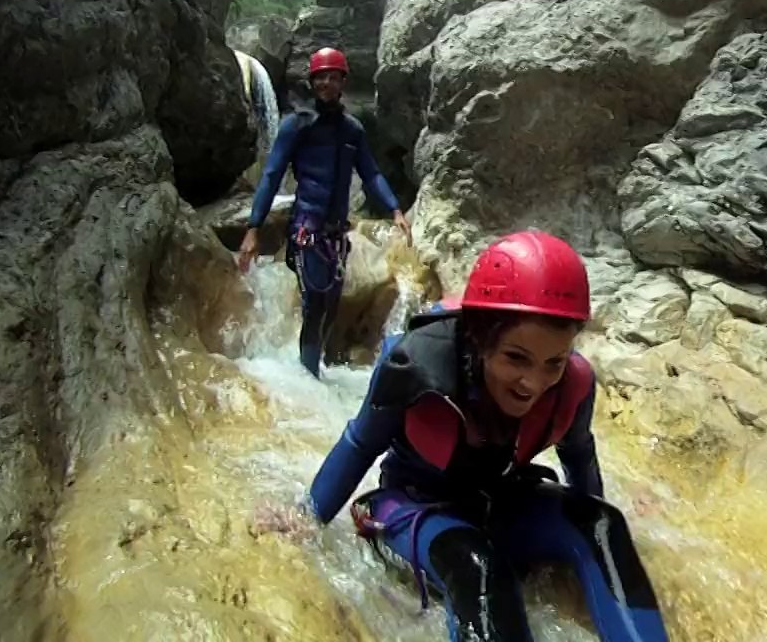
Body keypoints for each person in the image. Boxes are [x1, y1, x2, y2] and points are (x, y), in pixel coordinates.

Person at [307, 230, 670, 641]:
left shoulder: (574, 383)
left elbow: (579, 457)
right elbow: (360, 444)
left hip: (500, 497)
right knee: (478, 566)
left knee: (603, 523)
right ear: (479, 339)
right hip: (413, 504)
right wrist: (306, 515)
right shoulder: (413, 366)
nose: (533, 384)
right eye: (516, 358)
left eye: (553, 362)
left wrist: (592, 510)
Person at [237, 47, 411, 379]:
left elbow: (370, 173)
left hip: (335, 232)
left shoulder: (352, 131)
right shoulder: (297, 126)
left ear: (343, 81)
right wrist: (253, 228)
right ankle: (309, 377)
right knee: (314, 303)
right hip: (306, 227)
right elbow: (272, 174)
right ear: (312, 82)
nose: (326, 83)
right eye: (321, 77)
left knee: (331, 303)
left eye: (333, 77)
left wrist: (394, 209)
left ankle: (314, 369)